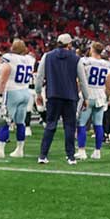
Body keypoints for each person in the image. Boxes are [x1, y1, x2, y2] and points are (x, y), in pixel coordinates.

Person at [35, 33, 84, 165]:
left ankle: (43, 155)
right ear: (69, 44)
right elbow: (82, 80)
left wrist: (38, 93)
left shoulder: (47, 56)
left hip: (53, 95)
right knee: (69, 126)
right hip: (70, 96)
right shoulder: (76, 58)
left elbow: (39, 76)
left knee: (50, 125)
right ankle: (70, 156)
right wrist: (86, 97)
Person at [0, 40, 36, 158]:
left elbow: (4, 78)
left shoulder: (9, 58)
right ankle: (19, 150)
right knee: (21, 122)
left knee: (4, 120)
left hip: (12, 92)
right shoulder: (30, 59)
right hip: (25, 92)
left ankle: (0, 149)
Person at [76, 42, 110, 160]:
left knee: (81, 123)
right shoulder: (106, 64)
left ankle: (81, 151)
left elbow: (80, 79)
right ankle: (97, 151)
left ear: (92, 49)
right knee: (98, 124)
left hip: (88, 94)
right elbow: (109, 83)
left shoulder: (85, 61)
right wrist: (107, 97)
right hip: (100, 95)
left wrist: (79, 93)